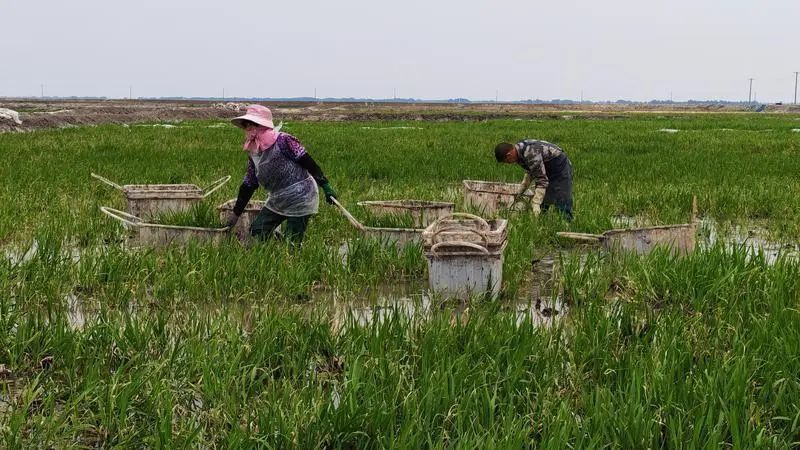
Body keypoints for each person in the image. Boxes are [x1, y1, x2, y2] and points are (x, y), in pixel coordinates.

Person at [225, 104, 337, 243]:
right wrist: (235, 215)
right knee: (258, 231)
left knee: (292, 242)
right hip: (278, 198)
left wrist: (325, 186)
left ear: (261, 126)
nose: (248, 130)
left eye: (251, 125)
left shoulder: (284, 141)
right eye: (246, 126)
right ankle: (271, 253)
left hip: (301, 196)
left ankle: (290, 260)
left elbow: (309, 163)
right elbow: (249, 184)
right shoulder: (254, 153)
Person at [494, 139, 573, 221]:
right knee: (544, 200)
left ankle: (566, 223)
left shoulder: (530, 153)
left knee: (561, 197)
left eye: (507, 161)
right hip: (546, 167)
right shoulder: (518, 153)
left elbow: (542, 180)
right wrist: (520, 192)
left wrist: (535, 203)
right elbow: (531, 171)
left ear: (509, 155)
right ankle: (541, 221)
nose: (509, 163)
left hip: (560, 167)